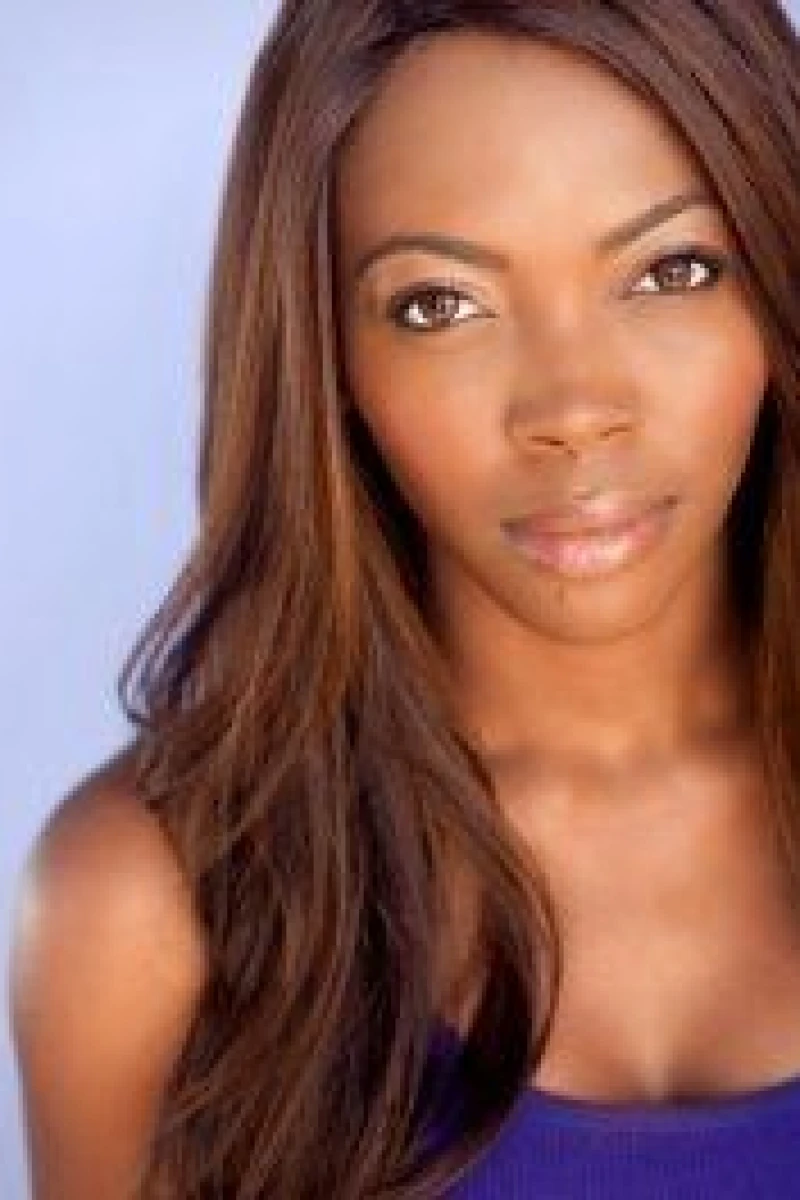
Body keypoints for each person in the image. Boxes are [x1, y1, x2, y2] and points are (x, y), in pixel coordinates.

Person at [8, 1, 800, 1196]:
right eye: (440, 304)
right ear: (329, 355)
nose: (571, 409)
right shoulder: (150, 912)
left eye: (668, 270)